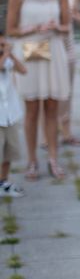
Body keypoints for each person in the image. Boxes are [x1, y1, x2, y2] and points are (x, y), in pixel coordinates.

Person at [6, 0, 71, 181]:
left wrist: (55, 26)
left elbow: (67, 26)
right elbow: (10, 28)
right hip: (30, 50)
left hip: (52, 50)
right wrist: (32, 28)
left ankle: (53, 157)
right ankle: (32, 160)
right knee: (32, 109)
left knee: (52, 108)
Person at [52, 0, 80, 146]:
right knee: (48, 91)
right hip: (49, 45)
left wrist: (71, 15)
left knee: (68, 90)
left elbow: (79, 17)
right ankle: (47, 134)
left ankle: (66, 131)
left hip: (68, 44)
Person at [0, 31, 27, 197]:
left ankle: (3, 181)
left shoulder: (7, 58)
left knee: (9, 151)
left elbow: (23, 70)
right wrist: (7, 53)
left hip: (10, 113)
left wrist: (11, 55)